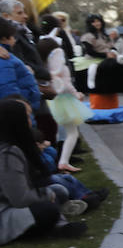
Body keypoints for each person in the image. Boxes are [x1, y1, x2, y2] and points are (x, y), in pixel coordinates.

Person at [0, 100, 87, 243]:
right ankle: (59, 223)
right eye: (27, 117)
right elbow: (19, 199)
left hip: (13, 203)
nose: (31, 120)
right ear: (16, 122)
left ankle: (66, 212)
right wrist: (46, 195)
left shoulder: (15, 146)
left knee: (58, 189)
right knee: (47, 209)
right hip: (5, 213)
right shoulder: (8, 154)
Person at [38, 39, 91, 173]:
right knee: (71, 133)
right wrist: (76, 94)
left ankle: (58, 161)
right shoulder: (58, 64)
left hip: (51, 101)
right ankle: (63, 161)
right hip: (65, 100)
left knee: (55, 133)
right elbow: (66, 84)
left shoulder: (43, 65)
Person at [0, 20, 42, 111]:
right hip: (20, 114)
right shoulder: (5, 59)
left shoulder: (7, 55)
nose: (15, 40)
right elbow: (9, 91)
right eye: (13, 36)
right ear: (4, 38)